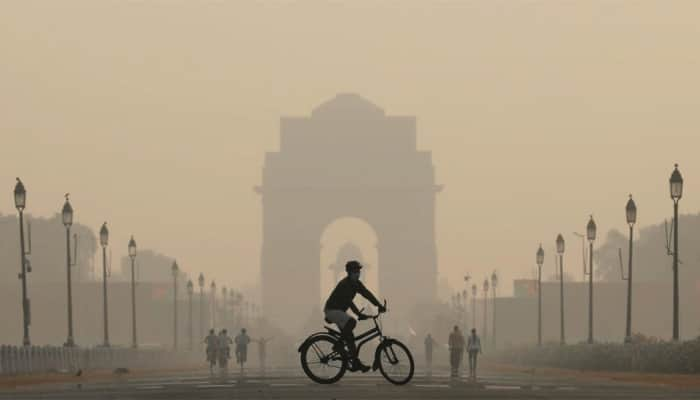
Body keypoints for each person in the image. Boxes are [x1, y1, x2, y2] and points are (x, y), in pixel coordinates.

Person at [323, 260, 386, 373]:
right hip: (332, 310)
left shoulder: (356, 284)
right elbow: (349, 302)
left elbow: (367, 294)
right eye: (355, 271)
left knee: (350, 338)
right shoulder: (345, 284)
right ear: (349, 273)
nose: (358, 273)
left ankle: (355, 363)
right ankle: (338, 345)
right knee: (352, 322)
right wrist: (358, 314)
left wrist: (379, 305)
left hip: (339, 312)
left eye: (358, 271)